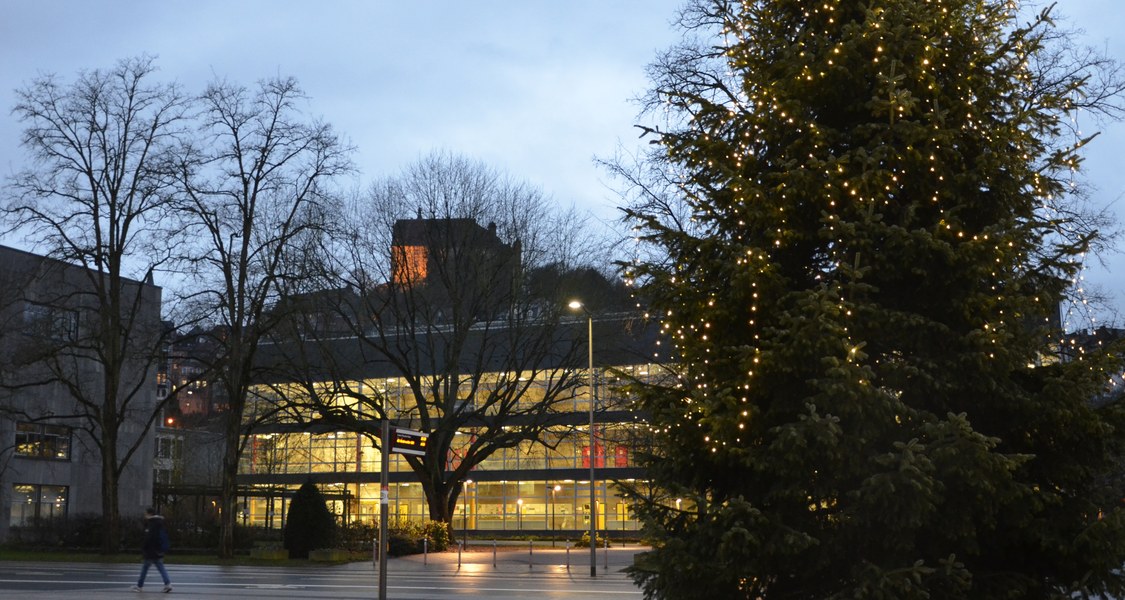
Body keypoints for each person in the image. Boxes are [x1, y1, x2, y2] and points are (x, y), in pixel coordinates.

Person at [132, 507, 172, 593]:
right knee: (161, 567)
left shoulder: (152, 523)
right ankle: (167, 584)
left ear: (150, 514)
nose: (145, 515)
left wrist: (144, 547)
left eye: (146, 513)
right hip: (158, 550)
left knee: (145, 569)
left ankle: (139, 586)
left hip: (151, 551)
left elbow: (149, 538)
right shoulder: (159, 522)